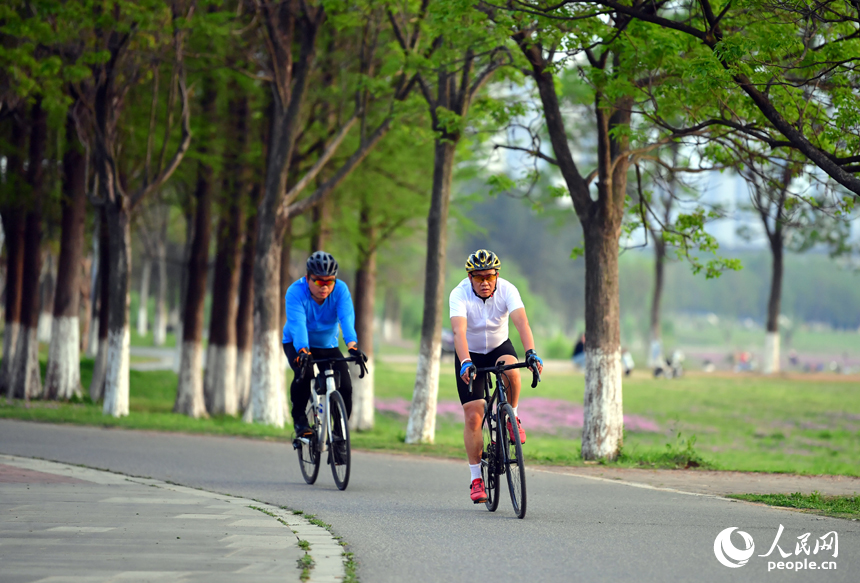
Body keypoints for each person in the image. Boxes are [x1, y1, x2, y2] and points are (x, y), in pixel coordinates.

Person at [450, 249, 543, 504]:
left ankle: (513, 417)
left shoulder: (507, 290)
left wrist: (531, 352)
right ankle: (476, 479)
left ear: (496, 275)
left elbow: (521, 322)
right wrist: (465, 361)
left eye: (489, 277)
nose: (484, 282)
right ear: (470, 277)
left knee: (512, 369)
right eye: (478, 278)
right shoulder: (459, 294)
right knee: (473, 415)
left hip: (499, 347)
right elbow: (459, 332)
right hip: (470, 354)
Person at [283, 251, 367, 437]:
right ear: (307, 278)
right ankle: (300, 423)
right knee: (303, 375)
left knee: (345, 386)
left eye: (330, 281)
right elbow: (298, 325)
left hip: (327, 345)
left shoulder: (341, 290)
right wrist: (303, 350)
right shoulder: (295, 292)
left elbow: (346, 318)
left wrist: (353, 346)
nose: (325, 287)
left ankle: (339, 435)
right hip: (297, 343)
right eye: (319, 281)